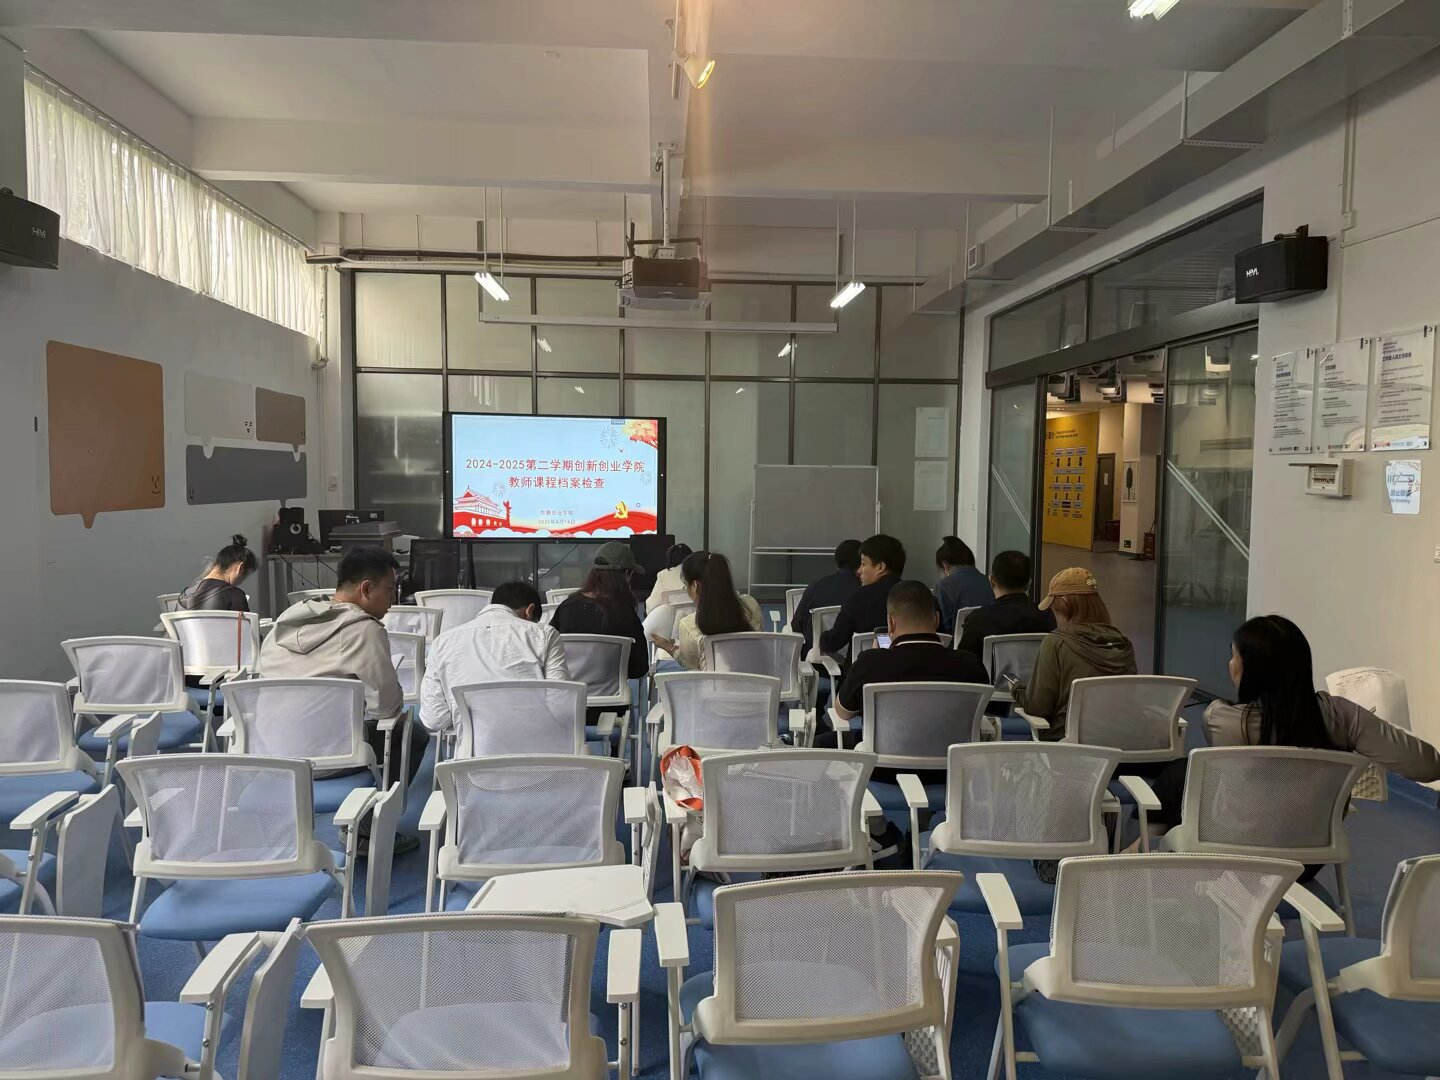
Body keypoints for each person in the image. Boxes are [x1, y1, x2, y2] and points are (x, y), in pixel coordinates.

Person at [259, 546, 430, 845]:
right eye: (390, 589)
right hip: (330, 759)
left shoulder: (283, 624)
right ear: (366, 589)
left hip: (269, 755)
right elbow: (386, 708)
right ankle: (369, 830)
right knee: (411, 733)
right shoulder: (364, 630)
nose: (392, 600)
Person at [833, 579, 990, 863]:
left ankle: (880, 831)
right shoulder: (970, 666)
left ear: (890, 623)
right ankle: (926, 827)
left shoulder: (871, 663)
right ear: (936, 620)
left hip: (883, 772)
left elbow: (842, 713)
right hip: (951, 773)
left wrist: (871, 660)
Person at [1204, 615, 1440, 777]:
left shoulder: (1219, 719)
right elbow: (1429, 767)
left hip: (1234, 835)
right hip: (1316, 836)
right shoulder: (1342, 716)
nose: (1230, 663)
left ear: (1251, 670)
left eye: (1233, 655)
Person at [419, 580, 571, 757]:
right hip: (540, 762)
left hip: (473, 767)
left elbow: (434, 719)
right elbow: (561, 707)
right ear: (529, 611)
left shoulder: (442, 642)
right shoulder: (544, 634)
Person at [1011, 568, 1136, 741]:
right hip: (1118, 742)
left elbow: (1038, 707)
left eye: (1054, 610)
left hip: (1066, 744)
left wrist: (1017, 689)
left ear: (1064, 603)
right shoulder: (1123, 644)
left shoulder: (1056, 643)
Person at [549, 542, 648, 680]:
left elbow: (550, 652)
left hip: (571, 691)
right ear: (627, 574)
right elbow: (639, 668)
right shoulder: (625, 615)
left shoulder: (566, 608)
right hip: (612, 693)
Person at [649, 551, 762, 670]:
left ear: (695, 586)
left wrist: (668, 647)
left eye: (686, 585)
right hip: (758, 678)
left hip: (715, 682)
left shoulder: (689, 625)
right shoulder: (751, 605)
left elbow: (690, 664)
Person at [956, 550, 1055, 659]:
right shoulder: (1047, 616)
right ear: (1029, 583)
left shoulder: (978, 620)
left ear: (992, 581)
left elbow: (964, 662)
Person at [819, 534, 906, 660]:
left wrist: (822, 638)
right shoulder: (920, 598)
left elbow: (833, 642)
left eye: (863, 564)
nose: (859, 570)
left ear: (881, 567)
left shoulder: (859, 598)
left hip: (864, 670)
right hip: (910, 670)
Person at [791, 539, 862, 645]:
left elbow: (796, 626)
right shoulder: (865, 591)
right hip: (855, 654)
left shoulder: (814, 587)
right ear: (862, 563)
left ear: (837, 562)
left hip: (815, 653)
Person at [177, 534, 257, 611]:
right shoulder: (235, 596)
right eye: (244, 576)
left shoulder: (184, 595)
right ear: (240, 568)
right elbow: (242, 621)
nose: (239, 583)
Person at [933, 536, 992, 634]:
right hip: (989, 641)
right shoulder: (990, 582)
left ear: (945, 565)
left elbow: (942, 629)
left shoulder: (943, 586)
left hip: (957, 642)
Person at [644, 543, 694, 615]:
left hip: (672, 620)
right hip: (697, 618)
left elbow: (651, 607)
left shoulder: (663, 575)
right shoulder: (699, 572)